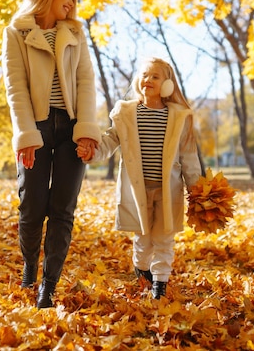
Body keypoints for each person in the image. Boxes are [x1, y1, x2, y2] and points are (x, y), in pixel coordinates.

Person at [1, 0, 101, 308]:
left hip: (72, 127)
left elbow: (86, 82)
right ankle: (30, 264)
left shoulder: (74, 33)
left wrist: (87, 130)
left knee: (63, 210)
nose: (72, 2)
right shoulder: (16, 32)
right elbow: (15, 88)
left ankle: (48, 285)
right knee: (32, 207)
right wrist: (26, 134)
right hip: (37, 127)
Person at [77, 58, 201, 299]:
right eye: (145, 75)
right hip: (138, 190)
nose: (148, 80)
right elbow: (110, 141)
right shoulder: (127, 113)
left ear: (167, 85)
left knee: (164, 238)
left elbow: (189, 157)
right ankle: (142, 270)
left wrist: (196, 189)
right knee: (143, 241)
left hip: (169, 190)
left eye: (155, 76)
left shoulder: (178, 117)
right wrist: (92, 152)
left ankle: (160, 285)